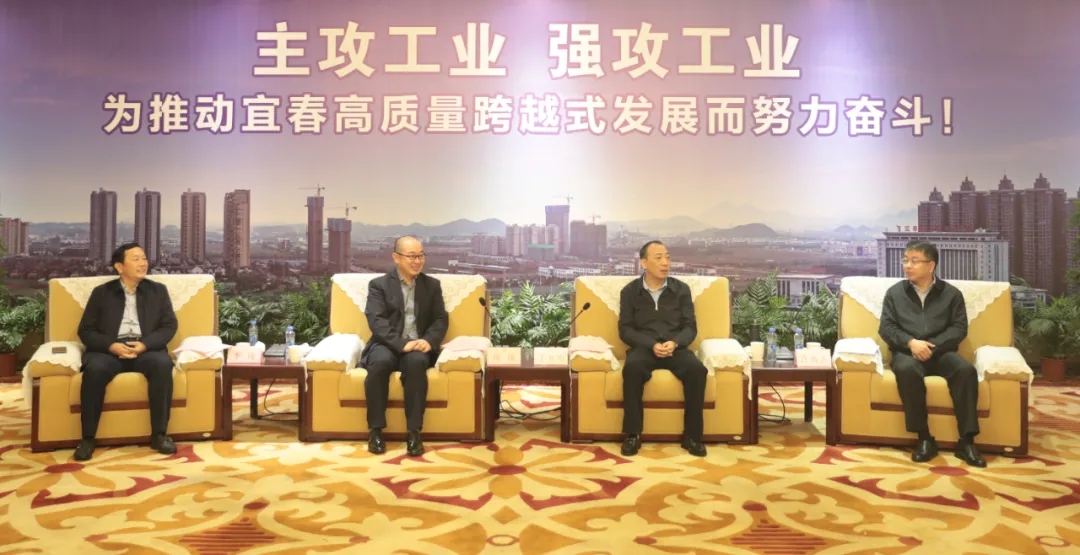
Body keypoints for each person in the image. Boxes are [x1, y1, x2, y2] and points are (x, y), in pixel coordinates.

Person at [879, 240, 985, 467]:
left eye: (914, 261)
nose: (907, 265)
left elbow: (959, 329)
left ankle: (967, 442)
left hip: (941, 352)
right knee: (907, 370)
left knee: (965, 371)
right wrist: (911, 343)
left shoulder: (951, 294)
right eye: (905, 260)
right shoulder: (895, 293)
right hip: (907, 353)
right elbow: (886, 328)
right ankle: (925, 438)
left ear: (930, 266)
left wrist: (930, 346)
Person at [75, 242, 178, 461]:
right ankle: (88, 438)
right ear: (119, 267)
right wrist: (110, 345)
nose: (143, 263)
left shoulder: (158, 291)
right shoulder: (102, 293)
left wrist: (145, 344)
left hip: (145, 349)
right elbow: (85, 330)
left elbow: (169, 326)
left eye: (144, 258)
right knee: (94, 370)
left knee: (162, 364)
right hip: (109, 350)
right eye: (136, 259)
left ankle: (160, 435)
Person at [617, 240, 708, 457]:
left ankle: (692, 436)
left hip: (675, 348)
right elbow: (625, 330)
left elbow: (690, 327)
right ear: (644, 263)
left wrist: (675, 343)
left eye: (667, 257)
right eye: (658, 258)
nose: (665, 262)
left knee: (697, 370)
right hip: (644, 348)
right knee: (632, 368)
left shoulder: (681, 290)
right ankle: (632, 434)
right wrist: (651, 345)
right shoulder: (630, 292)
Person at [360, 236, 448, 456]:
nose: (417, 261)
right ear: (396, 258)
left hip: (418, 344)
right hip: (387, 343)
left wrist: (428, 341)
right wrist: (401, 344)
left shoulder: (432, 285)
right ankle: (376, 430)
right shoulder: (379, 285)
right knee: (379, 364)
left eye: (420, 256)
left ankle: (414, 432)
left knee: (416, 364)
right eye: (411, 256)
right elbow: (376, 320)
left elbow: (440, 319)